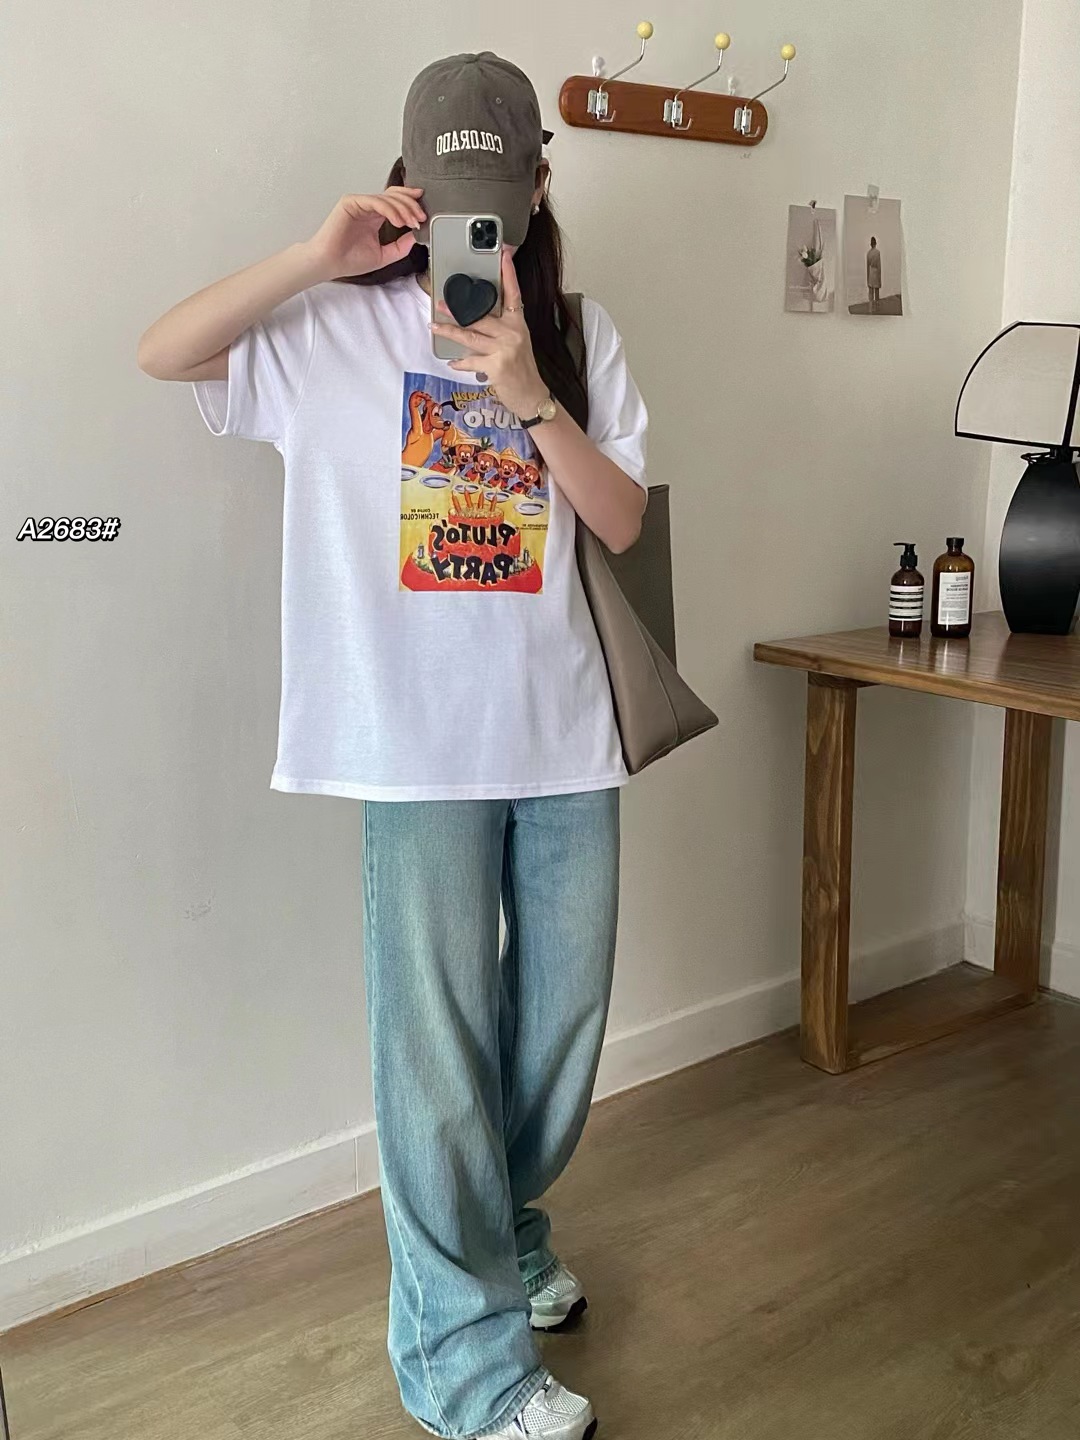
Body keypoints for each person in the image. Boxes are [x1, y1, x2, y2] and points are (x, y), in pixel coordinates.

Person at [137, 50, 648, 1440]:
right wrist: (317, 256)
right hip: (411, 750)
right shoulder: (328, 333)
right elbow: (162, 350)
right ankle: (461, 1365)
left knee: (556, 1042)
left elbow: (621, 523)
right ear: (408, 189)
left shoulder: (581, 335)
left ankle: (508, 1235)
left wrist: (531, 391)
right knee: (436, 1056)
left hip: (565, 737)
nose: (475, 230)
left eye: (499, 206)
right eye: (449, 201)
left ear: (538, 188)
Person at [866, 234, 882, 312]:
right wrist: (879, 278)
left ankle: (870, 307)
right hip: (876, 272)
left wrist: (867, 278)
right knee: (877, 291)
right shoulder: (878, 252)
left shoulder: (868, 253)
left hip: (870, 273)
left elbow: (867, 267)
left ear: (870, 244)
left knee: (871, 291)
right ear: (875, 243)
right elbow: (879, 266)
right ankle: (877, 307)